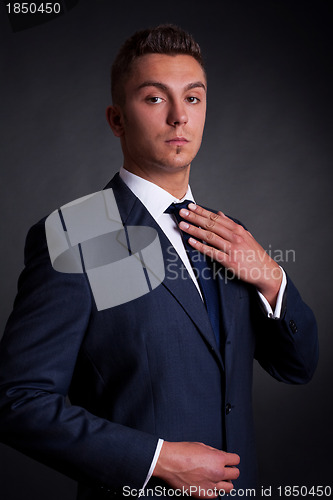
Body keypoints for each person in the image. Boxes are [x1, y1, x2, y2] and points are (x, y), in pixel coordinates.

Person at [0, 24, 318, 500]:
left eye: (193, 98)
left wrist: (272, 279)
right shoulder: (80, 232)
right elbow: (17, 401)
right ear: (116, 118)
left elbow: (298, 367)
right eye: (154, 99)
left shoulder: (228, 234)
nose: (178, 118)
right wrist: (156, 461)